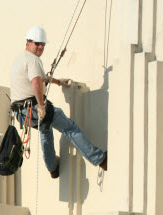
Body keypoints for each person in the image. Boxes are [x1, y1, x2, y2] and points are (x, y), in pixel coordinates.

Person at [10, 26, 107, 178]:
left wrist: (57, 82)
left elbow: (41, 78)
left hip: (22, 113)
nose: (41, 47)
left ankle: (52, 167)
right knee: (69, 128)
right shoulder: (33, 60)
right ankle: (99, 159)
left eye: (43, 44)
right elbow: (36, 82)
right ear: (28, 42)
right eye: (37, 44)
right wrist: (41, 106)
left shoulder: (21, 59)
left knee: (45, 129)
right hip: (33, 107)